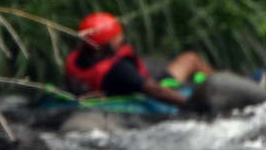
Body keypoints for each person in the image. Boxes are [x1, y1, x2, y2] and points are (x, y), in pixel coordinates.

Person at [63, 12, 216, 114]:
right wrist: (190, 104)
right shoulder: (119, 69)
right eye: (117, 36)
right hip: (142, 91)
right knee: (190, 59)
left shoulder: (75, 58)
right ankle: (217, 85)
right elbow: (155, 91)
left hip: (105, 92)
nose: (121, 38)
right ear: (106, 42)